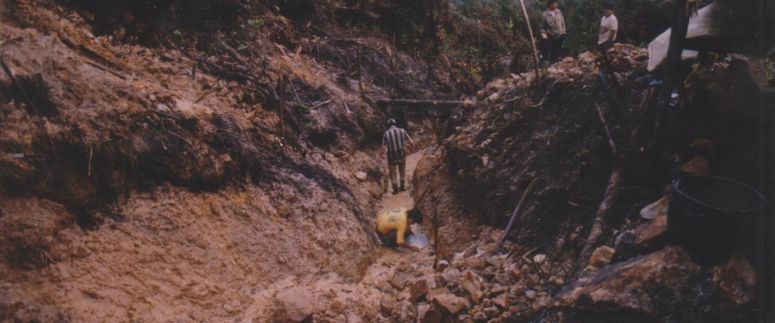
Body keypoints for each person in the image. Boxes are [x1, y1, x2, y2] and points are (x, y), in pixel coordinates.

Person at [381, 119, 415, 194]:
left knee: (393, 173)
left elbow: (383, 148)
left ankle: (395, 188)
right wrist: (412, 149)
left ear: (388, 126)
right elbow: (411, 142)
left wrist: (381, 156)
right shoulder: (402, 131)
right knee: (402, 171)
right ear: (395, 124)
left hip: (391, 157)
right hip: (401, 155)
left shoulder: (386, 134)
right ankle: (402, 187)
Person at [539, 0, 567, 65]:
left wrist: (564, 32)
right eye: (555, 3)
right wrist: (544, 35)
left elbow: (562, 23)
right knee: (549, 54)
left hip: (560, 36)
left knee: (558, 53)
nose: (556, 4)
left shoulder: (559, 12)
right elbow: (542, 27)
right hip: (551, 37)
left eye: (557, 3)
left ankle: (555, 66)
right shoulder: (545, 15)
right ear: (550, 4)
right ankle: (548, 67)